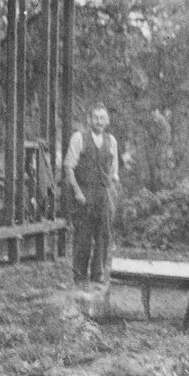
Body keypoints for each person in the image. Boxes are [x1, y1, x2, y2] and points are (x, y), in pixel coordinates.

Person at [64, 103, 120, 285]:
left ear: (107, 121)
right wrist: (78, 192)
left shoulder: (112, 141)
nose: (99, 121)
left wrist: (110, 191)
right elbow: (69, 167)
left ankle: (98, 274)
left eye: (102, 118)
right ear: (89, 119)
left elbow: (113, 171)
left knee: (104, 235)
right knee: (83, 236)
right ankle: (79, 277)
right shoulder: (79, 138)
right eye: (96, 117)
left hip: (103, 193)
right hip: (84, 193)